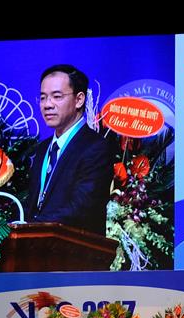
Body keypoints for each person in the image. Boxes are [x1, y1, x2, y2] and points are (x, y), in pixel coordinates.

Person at [24, 64, 113, 235]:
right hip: (36, 244)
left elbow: (81, 208)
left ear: (79, 99)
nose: (47, 105)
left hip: (75, 247)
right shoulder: (43, 148)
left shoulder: (96, 147)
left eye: (57, 96)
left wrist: (33, 226)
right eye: (43, 97)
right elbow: (33, 204)